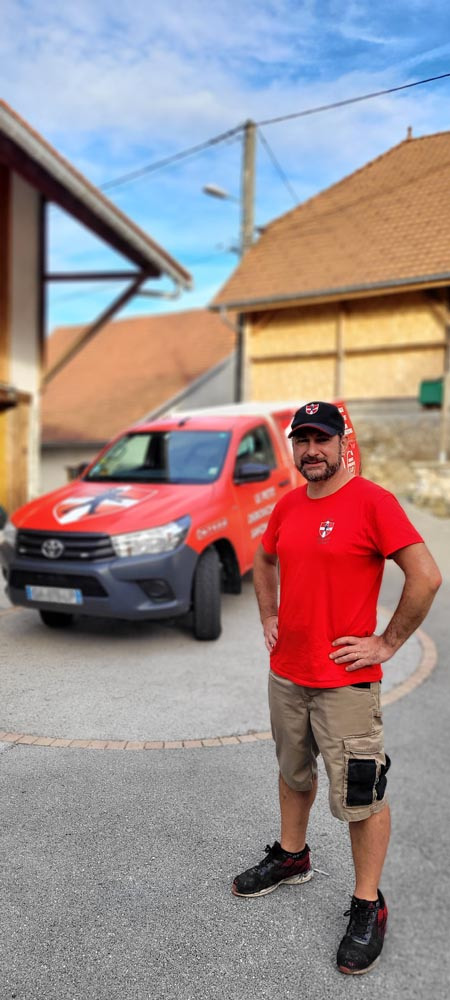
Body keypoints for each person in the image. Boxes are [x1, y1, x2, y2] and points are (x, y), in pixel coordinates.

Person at [232, 401, 441, 976]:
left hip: (344, 685)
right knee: (293, 772)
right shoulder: (289, 505)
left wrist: (386, 644)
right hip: (288, 675)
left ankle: (367, 905)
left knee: (361, 794)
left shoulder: (374, 502)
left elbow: (425, 576)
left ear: (343, 443)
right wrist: (268, 615)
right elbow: (263, 559)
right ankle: (292, 856)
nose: (310, 451)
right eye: (301, 440)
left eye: (321, 439)